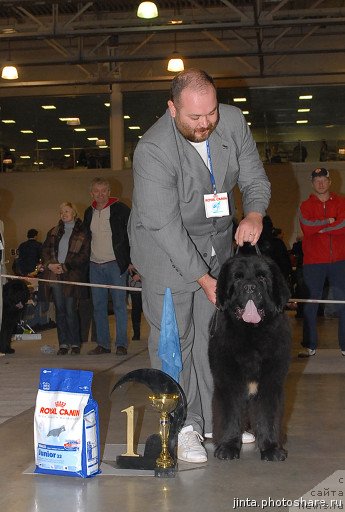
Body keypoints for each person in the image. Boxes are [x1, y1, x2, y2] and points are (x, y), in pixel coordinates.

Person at [128, 69, 271, 463]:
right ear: (172, 109)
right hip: (164, 250)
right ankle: (181, 427)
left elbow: (255, 176)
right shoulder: (153, 150)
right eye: (195, 118)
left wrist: (255, 214)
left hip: (216, 244)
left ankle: (218, 419)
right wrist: (204, 278)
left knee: (217, 337)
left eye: (211, 114)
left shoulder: (232, 121)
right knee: (176, 342)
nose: (206, 124)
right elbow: (165, 226)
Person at [299, 167, 345, 357]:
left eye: (323, 180)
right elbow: (307, 227)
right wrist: (329, 221)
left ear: (329, 182)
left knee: (344, 302)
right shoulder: (305, 206)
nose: (320, 183)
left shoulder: (342, 203)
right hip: (313, 263)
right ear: (312, 184)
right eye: (316, 180)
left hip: (340, 261)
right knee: (311, 304)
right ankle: (310, 345)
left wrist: (321, 227)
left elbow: (343, 225)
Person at [84, 177, 130, 356]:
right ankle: (103, 344)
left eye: (104, 191)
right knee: (98, 307)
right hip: (95, 266)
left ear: (110, 192)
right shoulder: (89, 212)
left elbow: (131, 234)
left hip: (116, 265)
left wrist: (131, 260)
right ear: (91, 193)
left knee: (119, 305)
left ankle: (121, 344)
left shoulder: (121, 209)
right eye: (97, 191)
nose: (101, 194)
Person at [40, 202, 90, 355]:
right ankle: (63, 344)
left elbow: (84, 255)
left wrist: (66, 266)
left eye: (67, 211)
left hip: (71, 275)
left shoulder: (83, 232)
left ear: (74, 212)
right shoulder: (53, 232)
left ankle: (75, 343)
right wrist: (50, 265)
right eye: (61, 212)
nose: (64, 214)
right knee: (60, 311)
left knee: (70, 310)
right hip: (55, 275)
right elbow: (45, 251)